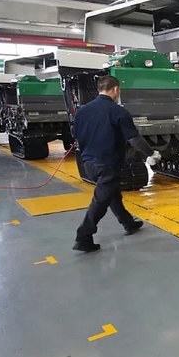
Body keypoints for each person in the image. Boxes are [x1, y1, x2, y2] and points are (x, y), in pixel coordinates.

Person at [72, 75, 160, 253]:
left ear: (99, 89)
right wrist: (151, 153)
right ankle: (83, 236)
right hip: (107, 163)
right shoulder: (118, 111)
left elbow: (75, 135)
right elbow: (134, 139)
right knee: (101, 200)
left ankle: (128, 223)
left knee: (112, 193)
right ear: (116, 89)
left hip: (88, 163)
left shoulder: (82, 111)